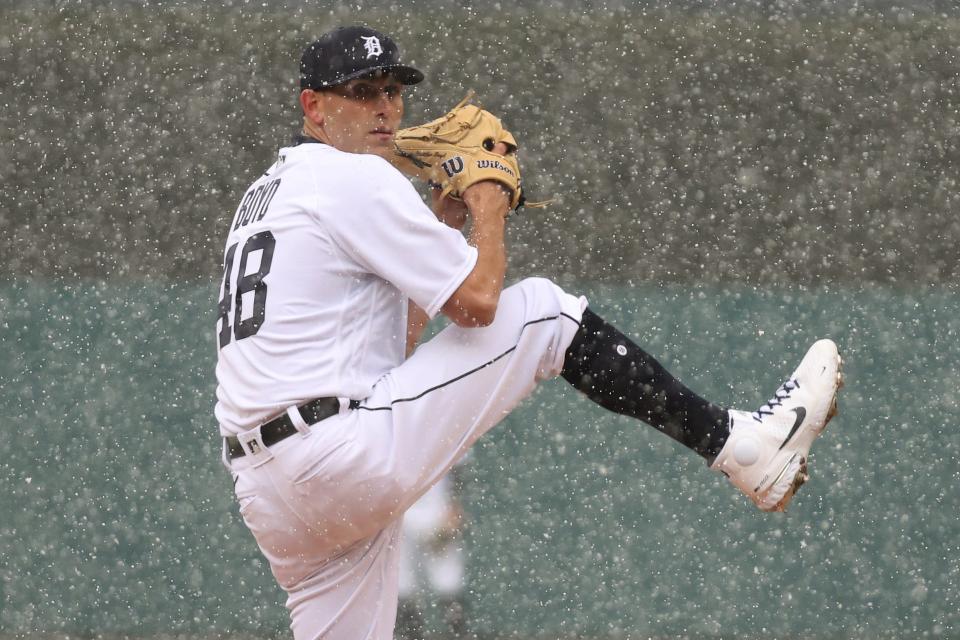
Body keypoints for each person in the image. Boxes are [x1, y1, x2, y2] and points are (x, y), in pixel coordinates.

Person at [214, 25, 843, 640]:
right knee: (544, 314)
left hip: (273, 495)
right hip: (336, 457)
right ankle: (743, 447)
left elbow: (391, 350)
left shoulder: (266, 196)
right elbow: (480, 305)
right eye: (361, 91)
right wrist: (487, 201)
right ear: (314, 106)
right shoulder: (356, 177)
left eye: (393, 90)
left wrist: (445, 220)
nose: (385, 108)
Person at [395, 469, 467, 640]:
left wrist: (454, 507)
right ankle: (410, 635)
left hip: (437, 509)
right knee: (402, 587)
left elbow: (458, 464)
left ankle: (456, 634)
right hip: (400, 511)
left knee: (448, 584)